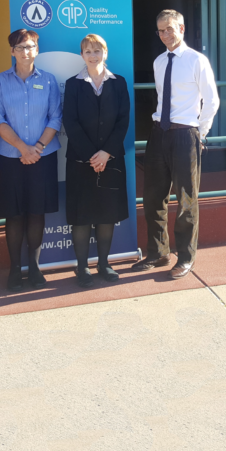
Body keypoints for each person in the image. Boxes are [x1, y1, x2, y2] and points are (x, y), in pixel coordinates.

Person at [132, 9, 219, 279]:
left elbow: (212, 100)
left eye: (169, 28)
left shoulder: (196, 60)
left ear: (182, 28)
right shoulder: (159, 61)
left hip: (185, 135)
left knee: (186, 200)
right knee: (152, 197)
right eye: (160, 30)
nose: (165, 34)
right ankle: (158, 253)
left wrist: (200, 133)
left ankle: (185, 257)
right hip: (159, 134)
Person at [0, 29, 61, 291]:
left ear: (37, 50)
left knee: (36, 211)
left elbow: (55, 117)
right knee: (14, 214)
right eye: (19, 48)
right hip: (11, 157)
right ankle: (13, 270)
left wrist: (38, 147)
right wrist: (23, 148)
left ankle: (33, 267)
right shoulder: (0, 81)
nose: (25, 52)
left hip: (43, 156)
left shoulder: (50, 80)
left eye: (30, 46)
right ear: (12, 51)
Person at [63, 34, 130, 288]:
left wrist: (106, 152)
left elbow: (123, 121)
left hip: (111, 160)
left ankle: (104, 263)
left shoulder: (119, 83)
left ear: (106, 53)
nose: (93, 55)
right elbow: (70, 122)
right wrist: (93, 155)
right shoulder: (73, 84)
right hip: (81, 161)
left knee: (106, 215)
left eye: (97, 50)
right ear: (82, 55)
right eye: (88, 51)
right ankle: (82, 268)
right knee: (81, 217)